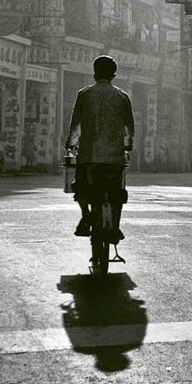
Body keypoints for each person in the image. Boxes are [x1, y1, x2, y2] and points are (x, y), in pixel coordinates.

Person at [65, 55, 134, 243]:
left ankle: (86, 214)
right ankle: (115, 227)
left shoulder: (85, 94)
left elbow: (76, 125)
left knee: (80, 187)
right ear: (114, 74)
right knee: (118, 194)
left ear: (94, 72)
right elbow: (128, 129)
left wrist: (71, 143)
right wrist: (127, 145)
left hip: (89, 157)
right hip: (114, 158)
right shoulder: (122, 96)